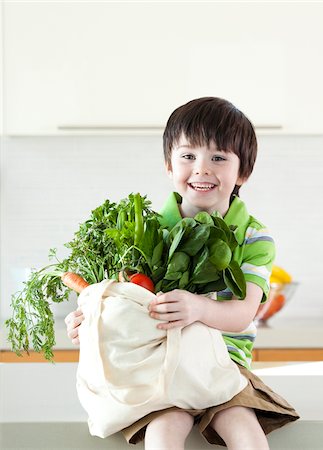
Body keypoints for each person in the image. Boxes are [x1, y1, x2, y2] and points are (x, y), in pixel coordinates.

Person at [65, 97, 299, 450]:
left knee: (243, 427)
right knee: (165, 428)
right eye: (188, 156)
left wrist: (200, 309)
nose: (202, 169)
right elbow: (122, 304)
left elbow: (242, 315)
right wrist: (89, 319)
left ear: (243, 173)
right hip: (160, 365)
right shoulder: (146, 231)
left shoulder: (254, 236)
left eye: (218, 158)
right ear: (169, 166)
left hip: (225, 367)